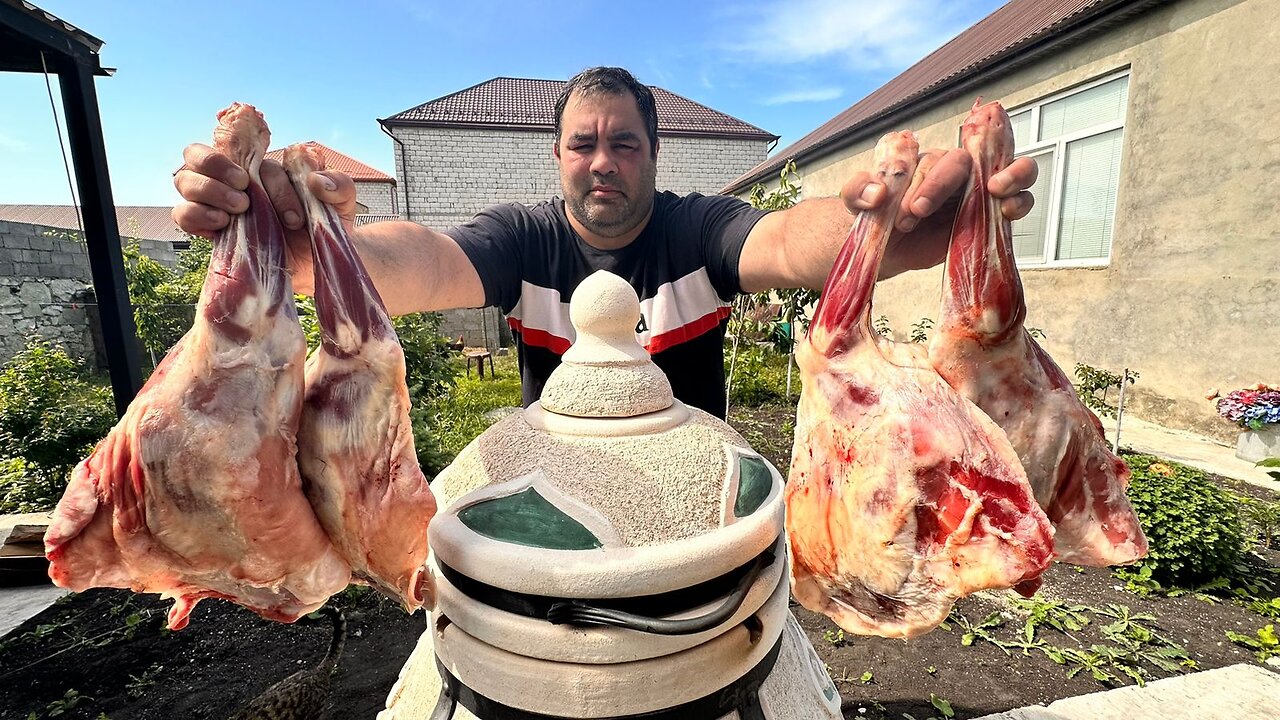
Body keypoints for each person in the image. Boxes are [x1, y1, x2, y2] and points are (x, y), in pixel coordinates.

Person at [173, 67, 1036, 419]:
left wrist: (880, 224)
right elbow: (424, 260)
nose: (603, 162)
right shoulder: (522, 240)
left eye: (624, 143)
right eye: (583, 144)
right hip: (558, 498)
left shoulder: (697, 230)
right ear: (557, 157)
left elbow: (785, 241)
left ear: (654, 155)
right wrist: (305, 247)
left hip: (700, 497)